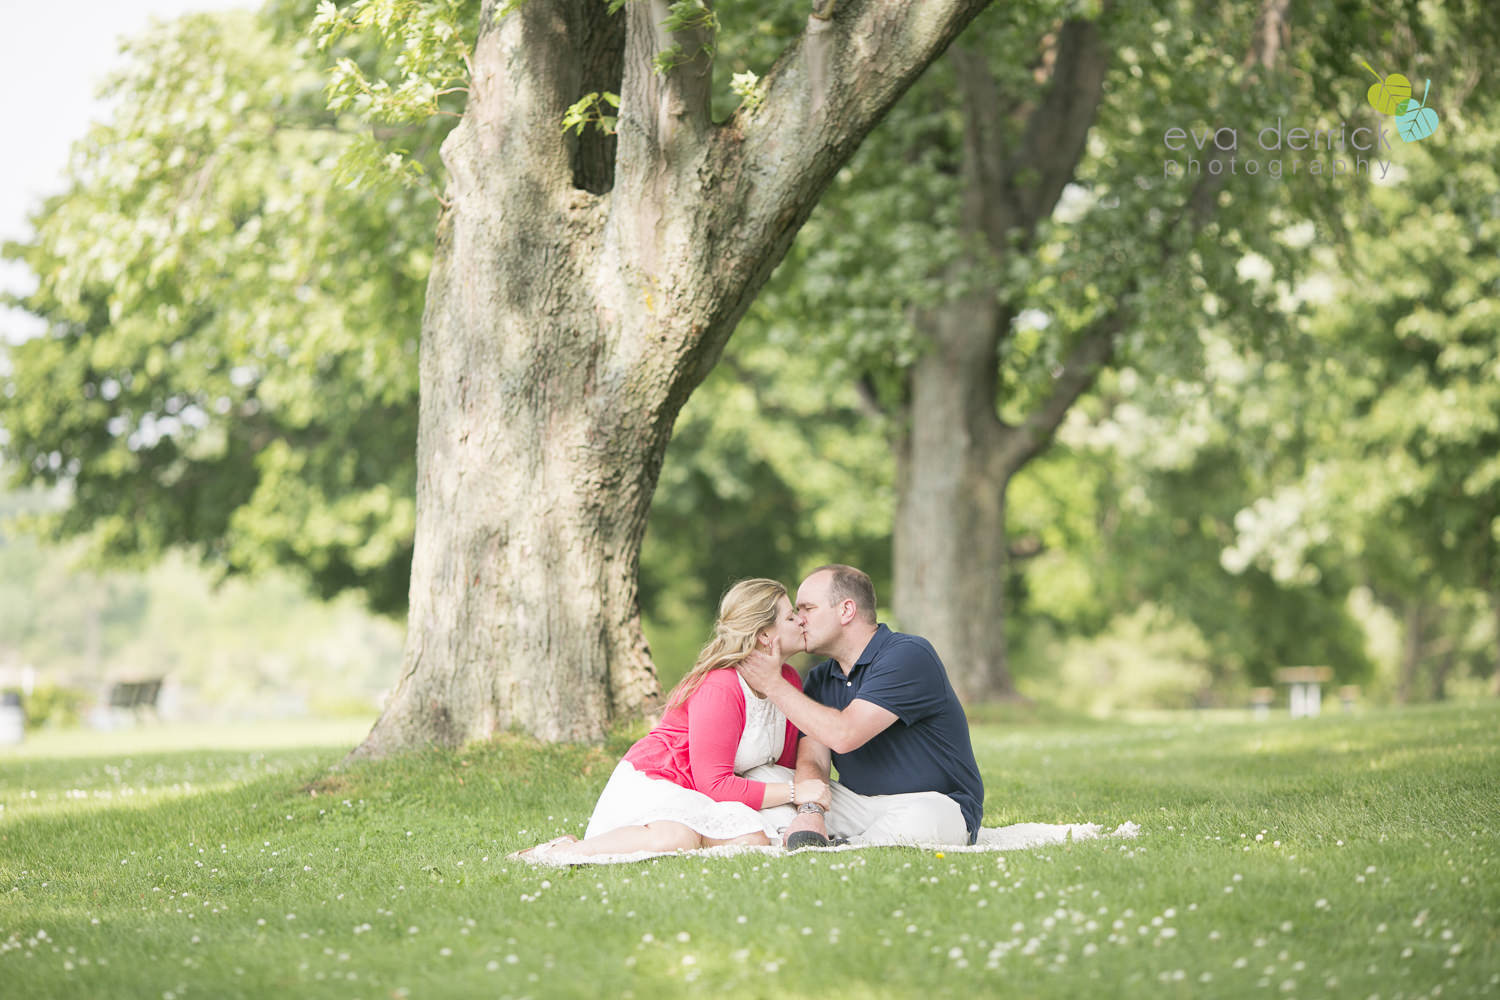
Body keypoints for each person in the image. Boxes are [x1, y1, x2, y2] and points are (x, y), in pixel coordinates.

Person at [513, 578, 830, 860]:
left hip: (710, 792)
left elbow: (777, 768)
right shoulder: (722, 685)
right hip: (662, 782)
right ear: (764, 635)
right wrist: (794, 792)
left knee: (754, 840)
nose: (802, 621)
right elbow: (716, 785)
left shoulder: (788, 681)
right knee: (674, 839)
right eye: (791, 617)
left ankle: (704, 837)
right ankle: (557, 851)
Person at [736, 564, 984, 848]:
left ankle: (841, 846)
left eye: (807, 608)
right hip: (859, 807)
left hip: (933, 804)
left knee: (924, 819)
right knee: (762, 775)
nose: (798, 619)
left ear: (846, 611)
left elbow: (846, 734)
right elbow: (814, 759)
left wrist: (773, 684)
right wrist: (811, 811)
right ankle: (818, 835)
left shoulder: (909, 655)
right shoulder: (820, 678)